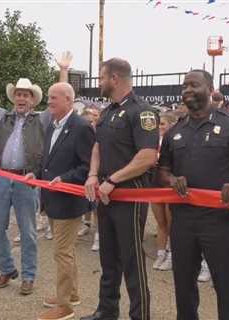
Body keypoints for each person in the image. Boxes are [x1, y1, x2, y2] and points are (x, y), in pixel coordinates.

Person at [158, 70, 229, 320]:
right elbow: (162, 171)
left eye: (193, 85)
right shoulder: (174, 131)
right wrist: (173, 179)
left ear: (210, 89)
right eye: (184, 85)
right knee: (184, 286)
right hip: (183, 221)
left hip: (218, 222)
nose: (187, 89)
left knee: (225, 286)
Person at [0, 52, 71, 295]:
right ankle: (6, 269)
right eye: (18, 94)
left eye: (25, 95)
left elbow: (62, 98)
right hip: (0, 179)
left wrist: (63, 70)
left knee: (27, 231)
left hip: (27, 181)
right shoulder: (0, 117)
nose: (21, 98)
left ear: (33, 100)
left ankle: (28, 276)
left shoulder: (42, 119)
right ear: (13, 97)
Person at [83, 58, 159, 320]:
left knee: (132, 261)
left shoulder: (143, 111)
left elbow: (148, 156)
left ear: (115, 78)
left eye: (102, 77)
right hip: (105, 194)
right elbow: (97, 146)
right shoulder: (107, 112)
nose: (100, 82)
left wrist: (113, 179)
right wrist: (93, 175)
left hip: (130, 194)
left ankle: (140, 316)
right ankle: (107, 311)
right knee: (108, 259)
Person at [27, 82, 94, 320]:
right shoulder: (53, 125)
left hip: (69, 201)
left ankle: (65, 307)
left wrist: (64, 178)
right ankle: (72, 294)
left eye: (53, 98)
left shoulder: (81, 127)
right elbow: (47, 158)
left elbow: (88, 167)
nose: (49, 102)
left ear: (68, 99)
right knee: (66, 252)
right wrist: (36, 172)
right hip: (53, 199)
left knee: (62, 253)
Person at [151, 112, 177, 271]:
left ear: (171, 125)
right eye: (158, 124)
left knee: (171, 222)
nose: (159, 127)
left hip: (169, 185)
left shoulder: (174, 141)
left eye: (163, 124)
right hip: (155, 185)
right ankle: (161, 253)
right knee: (160, 222)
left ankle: (172, 254)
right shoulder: (152, 141)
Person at [78, 105, 101, 252]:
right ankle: (86, 224)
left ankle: (99, 235)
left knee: (97, 205)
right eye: (88, 114)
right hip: (84, 170)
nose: (91, 118)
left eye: (94, 115)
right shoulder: (81, 131)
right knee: (85, 199)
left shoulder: (103, 132)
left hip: (98, 171)